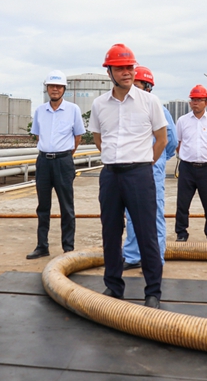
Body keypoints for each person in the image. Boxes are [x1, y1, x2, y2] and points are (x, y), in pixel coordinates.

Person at [88, 44, 167, 309]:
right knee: (111, 232)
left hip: (139, 174)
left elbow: (162, 139)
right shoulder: (99, 105)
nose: (127, 72)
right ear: (109, 72)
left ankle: (153, 291)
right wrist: (115, 159)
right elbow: (99, 139)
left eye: (130, 67)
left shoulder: (149, 102)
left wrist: (143, 163)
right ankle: (113, 285)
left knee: (146, 233)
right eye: (120, 68)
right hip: (111, 175)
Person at [122, 66, 177, 270]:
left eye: (137, 86)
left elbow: (171, 140)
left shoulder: (159, 110)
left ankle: (154, 260)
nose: (133, 91)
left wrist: (158, 159)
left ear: (148, 88)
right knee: (131, 213)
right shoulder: (125, 110)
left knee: (153, 214)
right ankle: (132, 256)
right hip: (130, 168)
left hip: (152, 168)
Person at [26, 70, 85, 259]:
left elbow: (78, 137)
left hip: (63, 162)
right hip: (44, 162)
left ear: (64, 89)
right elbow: (38, 136)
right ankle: (42, 246)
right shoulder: (40, 111)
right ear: (47, 88)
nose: (55, 89)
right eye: (52, 86)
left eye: (59, 86)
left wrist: (65, 155)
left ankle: (68, 247)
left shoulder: (73, 110)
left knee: (66, 206)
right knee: (43, 206)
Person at [175, 85, 207, 243]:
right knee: (182, 204)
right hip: (187, 168)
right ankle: (181, 233)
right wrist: (186, 155)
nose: (195, 103)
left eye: (199, 100)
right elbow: (178, 143)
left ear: (206, 102)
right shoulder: (182, 121)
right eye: (193, 100)